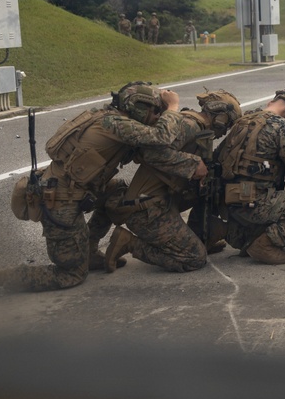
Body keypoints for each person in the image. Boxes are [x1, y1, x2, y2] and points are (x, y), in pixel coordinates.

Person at [0, 83, 184, 293]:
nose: (158, 116)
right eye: (155, 111)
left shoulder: (107, 117)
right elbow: (161, 136)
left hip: (76, 190)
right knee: (71, 275)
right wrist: (173, 107)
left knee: (116, 192)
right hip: (60, 203)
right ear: (137, 108)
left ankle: (89, 250)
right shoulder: (117, 125)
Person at [96, 90, 242, 273]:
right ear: (221, 117)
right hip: (146, 211)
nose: (225, 130)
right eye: (228, 123)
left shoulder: (200, 129)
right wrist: (192, 164)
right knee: (194, 258)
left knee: (207, 191)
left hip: (158, 202)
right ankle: (128, 243)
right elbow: (151, 153)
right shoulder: (190, 125)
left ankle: (197, 238)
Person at [214, 89, 285, 264]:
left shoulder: (242, 121)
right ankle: (266, 244)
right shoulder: (281, 126)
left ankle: (232, 232)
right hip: (257, 203)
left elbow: (218, 156)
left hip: (233, 199)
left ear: (271, 102)